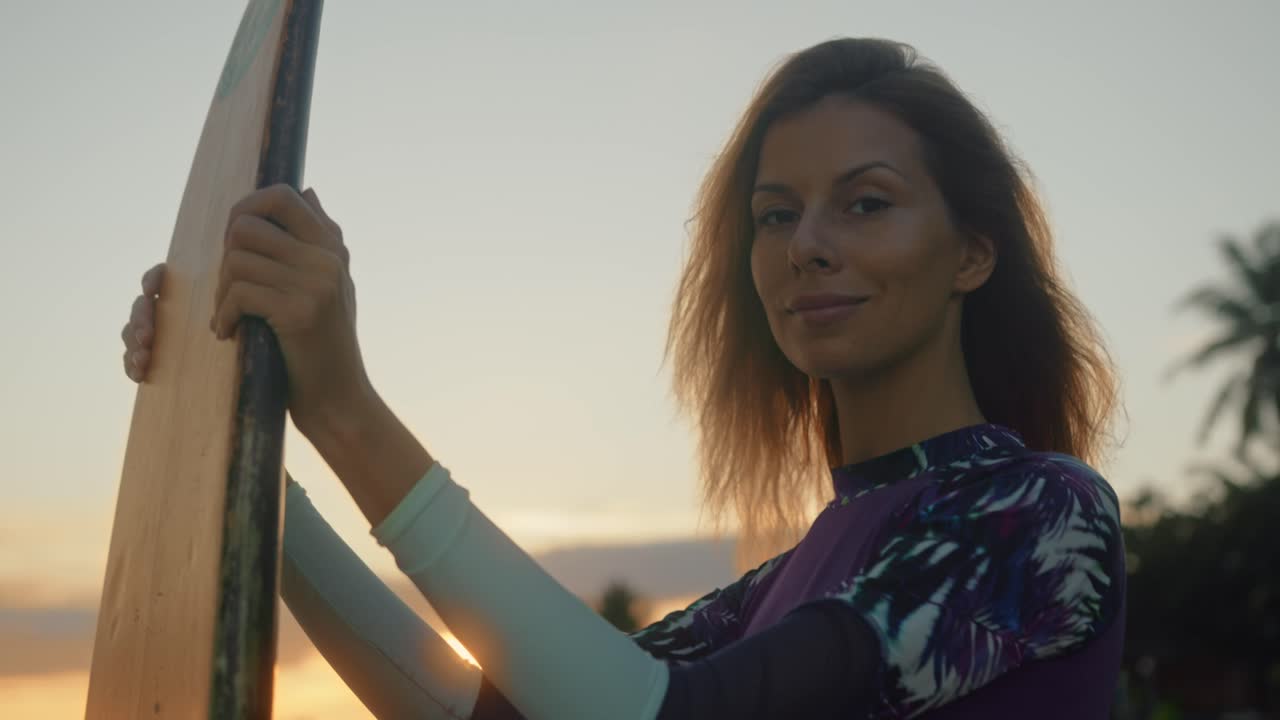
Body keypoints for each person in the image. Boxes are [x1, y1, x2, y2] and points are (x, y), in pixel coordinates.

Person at [119, 37, 1126, 719]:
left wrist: (342, 409)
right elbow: (492, 713)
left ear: (970, 255)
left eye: (864, 204)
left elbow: (659, 718)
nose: (806, 246)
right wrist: (243, 458)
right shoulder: (779, 588)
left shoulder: (1039, 518)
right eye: (775, 215)